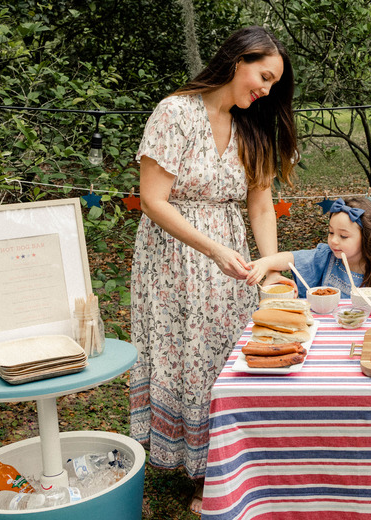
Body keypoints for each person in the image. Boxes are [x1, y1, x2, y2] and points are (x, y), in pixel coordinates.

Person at [129, 26, 297, 515]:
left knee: (224, 356)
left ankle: (223, 465)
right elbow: (153, 200)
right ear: (237, 60)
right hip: (175, 257)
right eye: (263, 76)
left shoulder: (252, 123)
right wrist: (212, 249)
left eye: (272, 84)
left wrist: (267, 270)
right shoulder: (175, 113)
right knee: (184, 352)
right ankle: (189, 462)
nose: (265, 90)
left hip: (232, 262)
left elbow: (261, 205)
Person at [247, 197, 371, 298]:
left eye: (343, 236)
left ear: (367, 238)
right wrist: (265, 263)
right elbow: (290, 258)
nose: (333, 241)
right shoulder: (327, 257)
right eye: (331, 232)